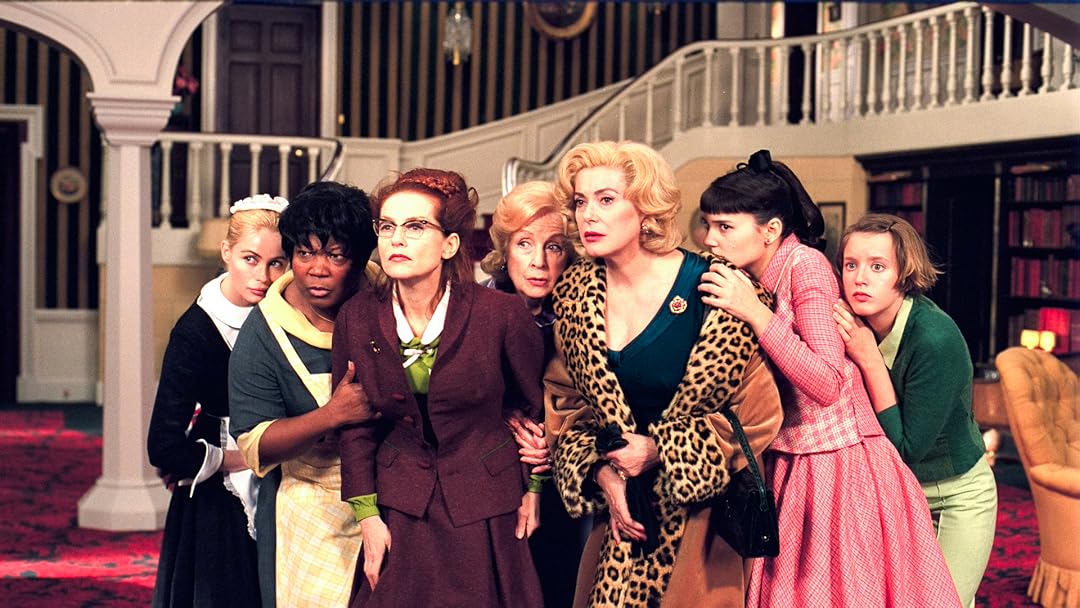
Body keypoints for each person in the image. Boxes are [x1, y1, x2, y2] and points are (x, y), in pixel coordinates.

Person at [697, 149, 961, 607]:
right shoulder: (749, 274)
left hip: (838, 464)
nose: (710, 239)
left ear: (770, 230)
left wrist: (756, 313)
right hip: (790, 456)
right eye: (707, 225)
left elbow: (826, 383)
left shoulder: (806, 267)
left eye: (724, 227)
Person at [544, 141, 783, 607]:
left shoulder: (715, 289)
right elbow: (564, 403)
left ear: (646, 209)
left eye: (606, 199)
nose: (588, 214)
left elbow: (759, 416)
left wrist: (660, 451)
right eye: (580, 201)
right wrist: (602, 474)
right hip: (618, 525)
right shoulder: (575, 294)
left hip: (701, 530)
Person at [336, 168, 545, 607]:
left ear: (449, 244)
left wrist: (534, 490)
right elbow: (355, 425)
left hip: (488, 502)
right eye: (387, 227)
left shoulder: (501, 314)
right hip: (400, 502)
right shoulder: (357, 316)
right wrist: (367, 516)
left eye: (415, 227)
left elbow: (534, 411)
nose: (396, 239)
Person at [833, 213, 998, 608]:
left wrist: (869, 359)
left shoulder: (934, 338)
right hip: (893, 494)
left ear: (904, 274)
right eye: (851, 265)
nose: (860, 278)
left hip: (955, 495)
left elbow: (907, 450)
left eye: (877, 267)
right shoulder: (851, 321)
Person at [229, 181, 379, 607]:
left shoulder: (386, 296)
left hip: (390, 499)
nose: (317, 269)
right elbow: (255, 444)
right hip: (310, 510)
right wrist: (332, 415)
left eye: (335, 255)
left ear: (360, 259)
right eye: (305, 253)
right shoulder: (264, 333)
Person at [148, 194, 288, 608]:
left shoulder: (289, 312)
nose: (263, 276)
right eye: (250, 259)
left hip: (289, 475)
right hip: (222, 494)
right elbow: (163, 446)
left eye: (276, 263)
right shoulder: (195, 331)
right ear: (226, 252)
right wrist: (235, 459)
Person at [480, 180, 584, 608]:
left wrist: (553, 438)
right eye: (525, 244)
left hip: (567, 479)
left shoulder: (583, 315)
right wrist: (502, 414)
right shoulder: (475, 309)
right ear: (505, 251)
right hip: (490, 476)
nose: (539, 261)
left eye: (553, 247)